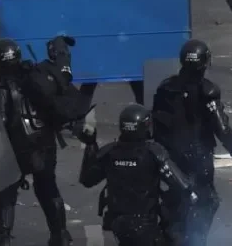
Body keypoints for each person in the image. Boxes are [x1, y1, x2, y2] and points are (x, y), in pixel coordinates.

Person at [0, 37, 90, 246]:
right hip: (43, 144)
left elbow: (0, 123)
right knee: (47, 188)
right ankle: (60, 234)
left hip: (14, 150)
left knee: (5, 195)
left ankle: (2, 237)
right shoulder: (37, 77)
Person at [152, 39, 232, 246]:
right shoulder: (207, 92)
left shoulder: (166, 88)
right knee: (205, 200)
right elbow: (221, 126)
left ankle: (171, 237)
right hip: (198, 155)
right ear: (204, 63)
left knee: (175, 199)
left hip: (170, 154)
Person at [78, 104, 198, 246]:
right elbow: (182, 185)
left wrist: (91, 144)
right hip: (145, 223)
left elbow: (87, 179)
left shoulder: (109, 152)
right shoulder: (153, 152)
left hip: (117, 222)